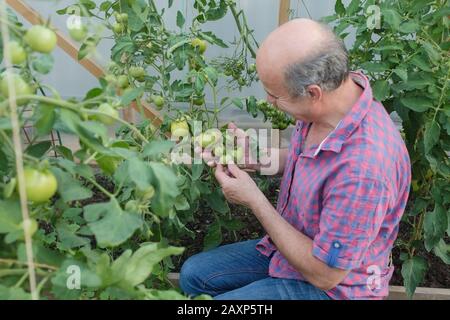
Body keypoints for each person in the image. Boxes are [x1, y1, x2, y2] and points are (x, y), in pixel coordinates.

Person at [179, 18, 411, 300]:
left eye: (274, 95)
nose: (267, 101)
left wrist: (254, 199)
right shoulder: (335, 102)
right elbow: (312, 160)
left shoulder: (365, 170)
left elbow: (326, 275)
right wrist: (263, 158)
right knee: (194, 276)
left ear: (313, 93)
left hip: (333, 287)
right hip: (297, 249)